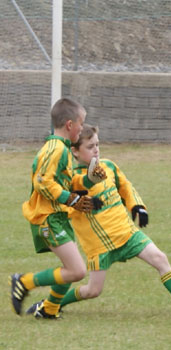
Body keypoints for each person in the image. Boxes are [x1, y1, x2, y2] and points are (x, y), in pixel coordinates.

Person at [27, 124, 171, 317]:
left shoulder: (108, 166)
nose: (96, 150)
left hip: (127, 233)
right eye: (90, 146)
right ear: (74, 151)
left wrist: (137, 207)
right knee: (93, 291)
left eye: (97, 145)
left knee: (160, 258)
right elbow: (67, 202)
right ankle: (53, 304)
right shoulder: (72, 179)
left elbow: (125, 186)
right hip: (99, 246)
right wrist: (86, 201)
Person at [9, 98, 105, 319]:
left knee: (70, 270)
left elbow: (67, 183)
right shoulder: (56, 150)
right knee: (77, 270)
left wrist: (89, 181)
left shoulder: (61, 149)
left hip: (58, 216)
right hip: (47, 217)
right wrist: (71, 200)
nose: (82, 128)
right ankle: (23, 282)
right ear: (70, 125)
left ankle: (49, 310)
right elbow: (43, 182)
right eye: (81, 124)